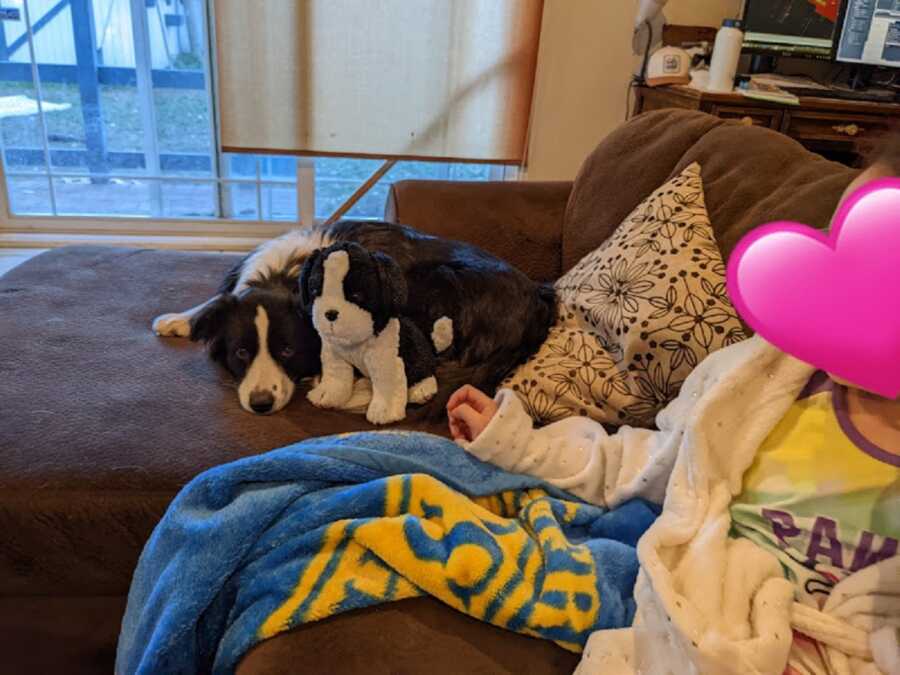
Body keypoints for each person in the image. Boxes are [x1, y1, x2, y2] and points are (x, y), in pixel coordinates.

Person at [447, 142, 900, 675]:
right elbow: (646, 463)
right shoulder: (749, 388)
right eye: (845, 249)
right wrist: (517, 441)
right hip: (705, 630)